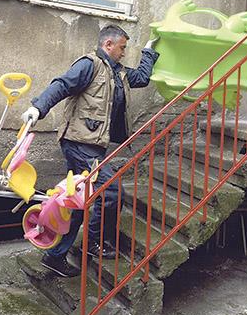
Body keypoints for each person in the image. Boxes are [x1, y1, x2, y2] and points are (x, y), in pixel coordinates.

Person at [21, 24, 159, 277]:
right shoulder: (89, 65)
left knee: (76, 200)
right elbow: (62, 85)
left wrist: (149, 51)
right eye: (122, 48)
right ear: (108, 44)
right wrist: (38, 108)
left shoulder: (118, 73)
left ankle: (55, 256)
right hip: (79, 144)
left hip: (92, 145)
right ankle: (94, 243)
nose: (124, 53)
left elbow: (141, 78)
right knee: (112, 191)